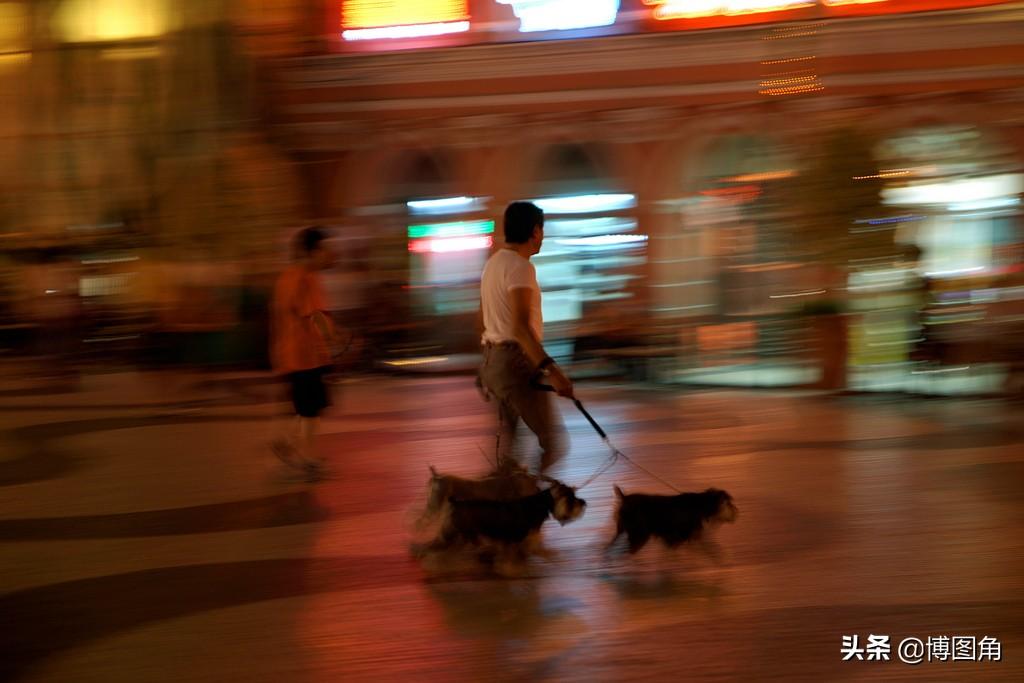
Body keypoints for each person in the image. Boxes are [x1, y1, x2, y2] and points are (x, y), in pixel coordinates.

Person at [478, 201, 572, 473]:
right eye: (542, 230)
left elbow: (481, 319)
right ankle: (527, 505)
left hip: (493, 360)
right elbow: (520, 328)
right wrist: (552, 371)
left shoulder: (493, 264)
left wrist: (484, 367)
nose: (543, 236)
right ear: (534, 231)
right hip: (516, 363)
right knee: (552, 442)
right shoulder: (521, 267)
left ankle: (492, 505)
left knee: (508, 450)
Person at [269, 227, 339, 480]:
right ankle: (307, 459)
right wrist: (333, 337)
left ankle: (288, 443)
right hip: (307, 355)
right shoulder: (306, 277)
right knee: (311, 411)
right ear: (312, 251)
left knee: (306, 408)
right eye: (326, 249)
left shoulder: (286, 277)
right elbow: (314, 314)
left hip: (292, 355)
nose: (330, 254)